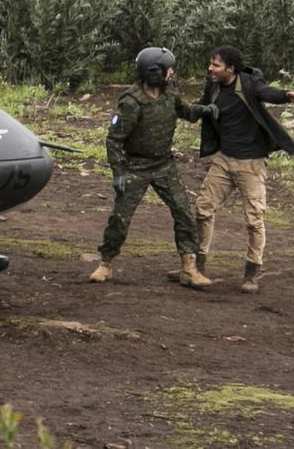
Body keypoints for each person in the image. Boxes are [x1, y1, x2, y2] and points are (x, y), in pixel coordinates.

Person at [88, 47, 217, 288]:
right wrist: (118, 174)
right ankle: (105, 264)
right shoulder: (132, 102)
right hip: (135, 166)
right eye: (168, 69)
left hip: (164, 164)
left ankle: (189, 266)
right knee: (120, 218)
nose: (172, 73)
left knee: (184, 212)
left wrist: (204, 110)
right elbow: (114, 140)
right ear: (154, 72)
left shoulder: (170, 93)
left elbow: (186, 112)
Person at [187, 45, 294, 294]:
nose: (210, 69)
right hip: (224, 160)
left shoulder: (248, 84)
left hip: (251, 164)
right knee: (203, 209)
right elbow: (201, 108)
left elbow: (265, 92)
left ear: (231, 68)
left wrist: (285, 95)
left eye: (216, 65)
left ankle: (252, 273)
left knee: (253, 219)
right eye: (211, 64)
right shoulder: (213, 87)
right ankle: (196, 266)